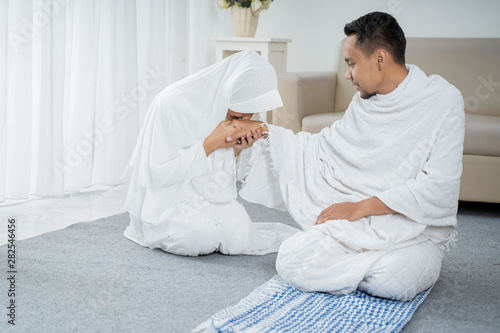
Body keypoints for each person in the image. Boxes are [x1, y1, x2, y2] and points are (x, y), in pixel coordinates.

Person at [236, 12, 465, 301]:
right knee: (290, 259)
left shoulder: (443, 100)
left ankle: (356, 267)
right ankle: (359, 267)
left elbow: (439, 189)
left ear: (379, 59)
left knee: (394, 281)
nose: (347, 74)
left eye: (352, 64)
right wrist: (267, 133)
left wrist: (357, 208)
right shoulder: (363, 100)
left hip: (411, 228)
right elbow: (325, 149)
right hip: (356, 226)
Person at [121, 50, 298, 257]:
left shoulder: (228, 107)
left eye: (249, 114)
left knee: (240, 236)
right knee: (196, 238)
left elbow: (217, 177)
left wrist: (235, 149)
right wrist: (210, 143)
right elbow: (157, 174)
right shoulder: (173, 104)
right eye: (239, 115)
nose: (245, 119)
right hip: (166, 199)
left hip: (208, 197)